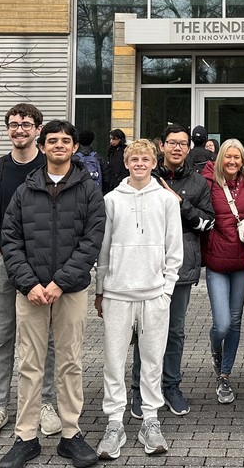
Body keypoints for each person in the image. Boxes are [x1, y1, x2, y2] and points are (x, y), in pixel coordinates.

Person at [0, 120, 106, 468]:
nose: (59, 145)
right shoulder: (25, 190)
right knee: (30, 364)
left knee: (70, 362)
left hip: (70, 290)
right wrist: (28, 283)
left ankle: (71, 434)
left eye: (66, 141)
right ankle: (25, 436)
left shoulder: (89, 189)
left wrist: (61, 282)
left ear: (75, 147)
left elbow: (92, 240)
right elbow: (10, 239)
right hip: (29, 291)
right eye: (52, 141)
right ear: (42, 147)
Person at [94, 139, 183, 459]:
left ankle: (150, 420)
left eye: (146, 159)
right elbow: (103, 249)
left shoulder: (167, 201)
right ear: (127, 163)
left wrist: (167, 289)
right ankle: (114, 423)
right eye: (135, 159)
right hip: (118, 293)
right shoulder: (110, 200)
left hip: (154, 294)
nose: (140, 163)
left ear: (154, 162)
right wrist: (101, 289)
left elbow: (175, 250)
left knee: (152, 360)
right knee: (114, 361)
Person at [0, 104, 60, 444]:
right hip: (5, 265)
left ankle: (46, 404)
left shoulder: (49, 165)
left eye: (26, 124)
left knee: (46, 340)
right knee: (3, 338)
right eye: (13, 124)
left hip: (41, 264)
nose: (19, 129)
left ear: (38, 129)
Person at [128, 124, 214, 419]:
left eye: (183, 144)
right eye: (172, 142)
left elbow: (208, 222)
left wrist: (182, 205)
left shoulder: (199, 183)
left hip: (181, 269)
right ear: (161, 146)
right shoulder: (145, 177)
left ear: (189, 148)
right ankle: (139, 389)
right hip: (145, 267)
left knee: (174, 332)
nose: (177, 148)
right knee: (144, 331)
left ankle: (171, 386)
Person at [201, 138, 244, 405]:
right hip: (217, 262)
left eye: (237, 157)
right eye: (228, 156)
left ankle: (225, 375)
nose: (232, 161)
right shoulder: (207, 183)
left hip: (242, 263)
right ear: (220, 158)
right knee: (223, 323)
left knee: (236, 321)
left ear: (243, 161)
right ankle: (216, 345)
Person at [103, 129, 128, 194]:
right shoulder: (111, 150)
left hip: (121, 179)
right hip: (112, 180)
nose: (111, 141)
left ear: (119, 139)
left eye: (114, 139)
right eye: (110, 139)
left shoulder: (124, 151)